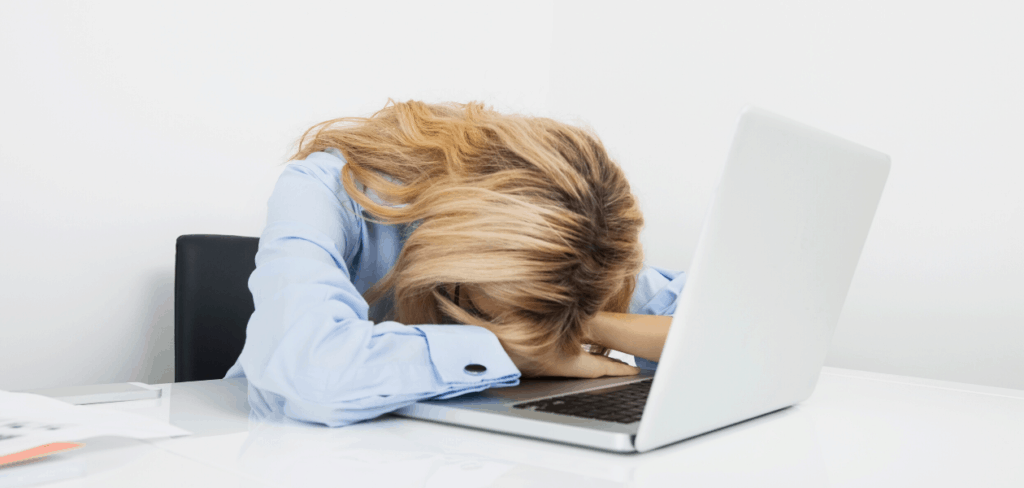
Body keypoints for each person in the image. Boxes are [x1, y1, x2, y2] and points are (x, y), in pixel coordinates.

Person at [224, 101, 687, 426]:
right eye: (515, 300)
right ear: (474, 244)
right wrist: (514, 352)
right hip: (277, 450)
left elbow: (724, 329)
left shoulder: (577, 237)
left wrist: (580, 324)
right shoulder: (325, 188)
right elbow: (308, 368)